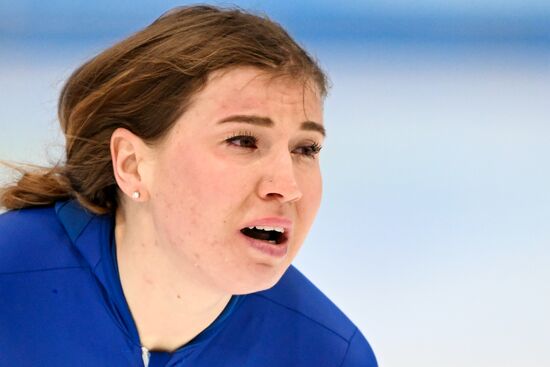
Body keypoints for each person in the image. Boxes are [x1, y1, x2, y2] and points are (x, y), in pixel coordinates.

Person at [0, 5, 377, 367]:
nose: (287, 185)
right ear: (132, 165)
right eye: (243, 141)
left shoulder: (328, 356)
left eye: (306, 149)